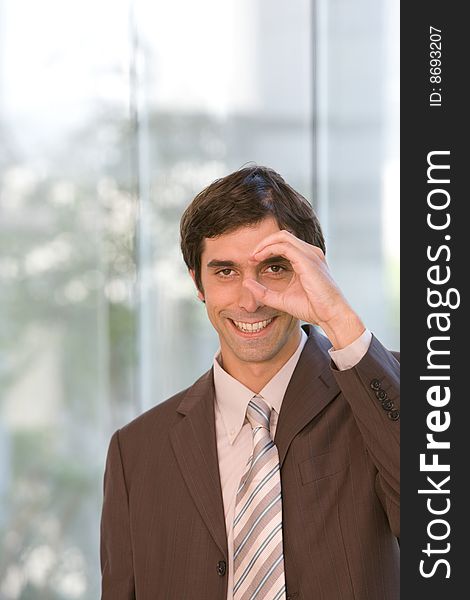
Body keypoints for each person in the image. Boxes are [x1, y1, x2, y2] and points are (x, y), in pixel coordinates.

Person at [100, 165, 400, 600]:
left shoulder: (386, 391)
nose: (250, 298)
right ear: (197, 283)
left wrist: (338, 317)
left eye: (274, 268)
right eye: (225, 271)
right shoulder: (136, 451)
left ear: (312, 269)